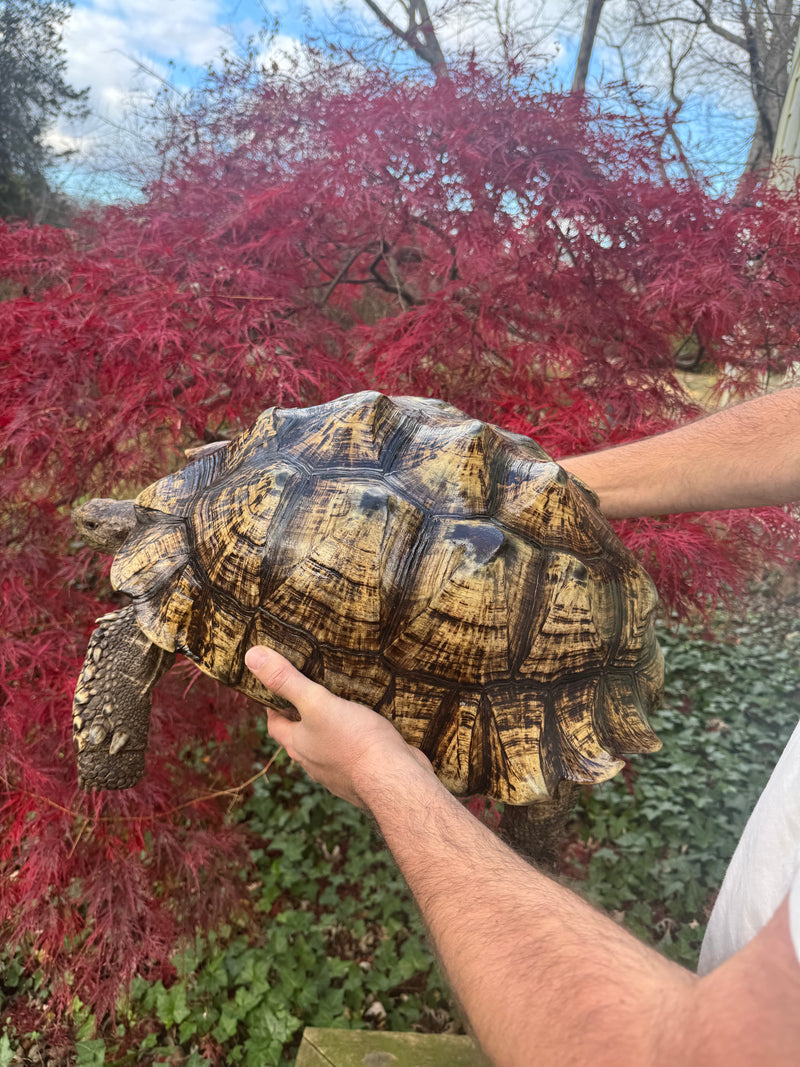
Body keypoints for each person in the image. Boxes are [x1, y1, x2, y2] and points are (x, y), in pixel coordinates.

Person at [245, 388, 800, 1066]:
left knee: (537, 800)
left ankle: (537, 808)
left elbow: (680, 1052)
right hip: (743, 951)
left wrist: (380, 772)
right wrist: (536, 489)